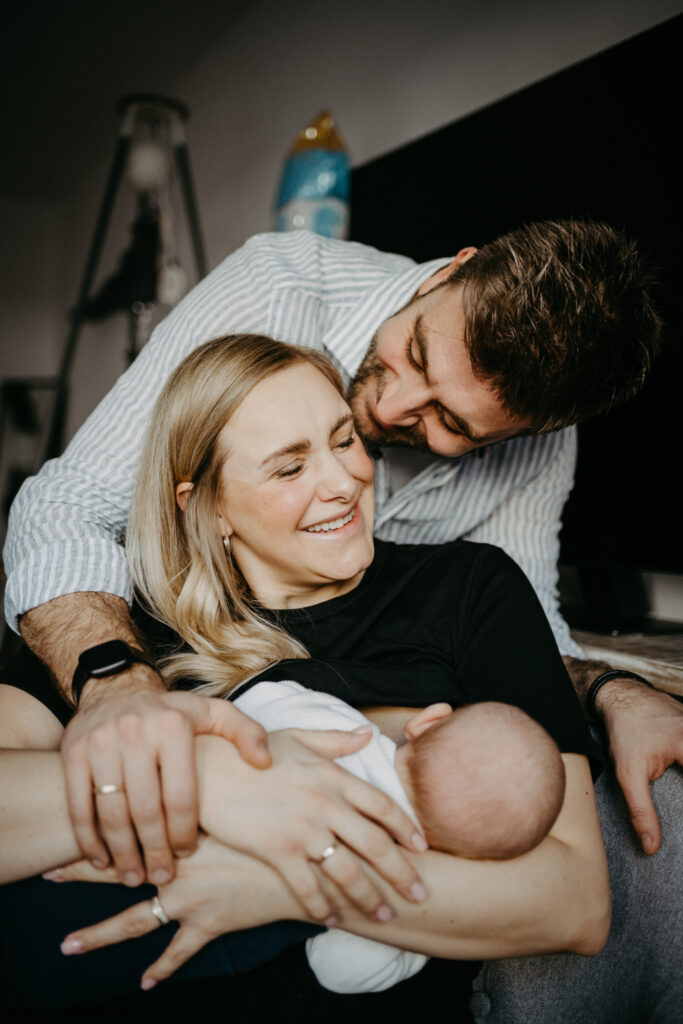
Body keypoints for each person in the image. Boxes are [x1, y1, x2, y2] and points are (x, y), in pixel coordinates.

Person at [0, 335, 608, 1017]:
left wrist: (282, 881)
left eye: (343, 440)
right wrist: (206, 781)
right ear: (207, 505)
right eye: (289, 468)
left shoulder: (466, 589)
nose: (342, 481)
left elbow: (574, 902)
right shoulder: (126, 634)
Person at [231, 678, 566, 994]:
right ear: (470, 858)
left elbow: (257, 696)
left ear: (427, 722)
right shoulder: (394, 883)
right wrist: (414, 952)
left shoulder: (343, 730)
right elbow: (335, 969)